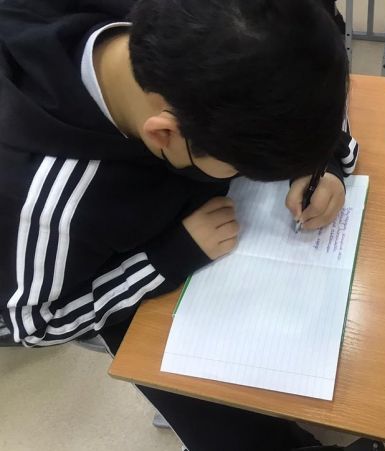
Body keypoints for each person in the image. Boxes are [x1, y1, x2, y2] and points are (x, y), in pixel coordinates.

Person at [0, 0, 358, 449]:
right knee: (222, 415)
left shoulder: (201, 24)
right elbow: (31, 323)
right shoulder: (52, 203)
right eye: (243, 166)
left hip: (184, 210)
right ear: (163, 134)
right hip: (122, 270)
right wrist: (168, 259)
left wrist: (323, 164)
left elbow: (304, 78)